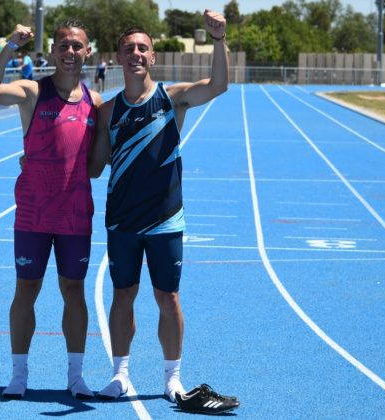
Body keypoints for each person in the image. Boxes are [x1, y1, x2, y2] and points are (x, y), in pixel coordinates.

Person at [88, 10, 238, 414]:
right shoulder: (107, 112)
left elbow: (220, 85)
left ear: (153, 57)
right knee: (123, 295)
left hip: (166, 219)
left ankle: (172, 379)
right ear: (118, 58)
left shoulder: (172, 99)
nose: (135, 53)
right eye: (128, 49)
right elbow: (94, 167)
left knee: (167, 297)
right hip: (121, 219)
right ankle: (120, 373)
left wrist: (219, 39)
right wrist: (39, 159)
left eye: (142, 48)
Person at [0, 18, 102, 401]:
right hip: (33, 213)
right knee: (26, 289)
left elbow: (95, 166)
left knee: (73, 291)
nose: (69, 52)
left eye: (76, 46)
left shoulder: (95, 103)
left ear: (87, 53)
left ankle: (76, 376)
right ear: (52, 51)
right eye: (63, 45)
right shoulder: (33, 91)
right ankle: (18, 374)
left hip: (75, 215)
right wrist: (10, 46)